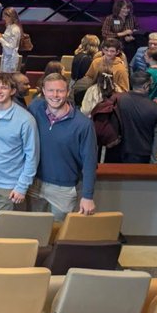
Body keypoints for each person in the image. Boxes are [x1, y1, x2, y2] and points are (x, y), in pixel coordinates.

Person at [28, 73, 98, 218]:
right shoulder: (35, 108)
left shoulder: (83, 125)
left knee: (59, 233)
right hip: (34, 183)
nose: (55, 95)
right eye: (50, 90)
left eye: (60, 91)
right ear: (43, 91)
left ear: (68, 92)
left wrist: (88, 196)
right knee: (33, 230)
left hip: (63, 189)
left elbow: (90, 163)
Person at [0, 72, 38, 218]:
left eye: (4, 87)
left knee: (3, 230)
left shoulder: (26, 120)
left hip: (9, 185)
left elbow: (32, 156)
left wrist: (22, 186)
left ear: (13, 91)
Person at [106, 71, 157, 164]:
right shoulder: (154, 107)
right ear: (146, 86)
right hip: (140, 153)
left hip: (116, 149)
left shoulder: (117, 98)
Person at [0, 7, 22, 73]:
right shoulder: (9, 27)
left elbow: (11, 47)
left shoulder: (15, 29)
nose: (4, 19)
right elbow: (8, 38)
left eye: (6, 17)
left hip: (11, 58)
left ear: (11, 17)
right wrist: (2, 36)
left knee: (8, 79)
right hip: (6, 56)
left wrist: (0, 38)